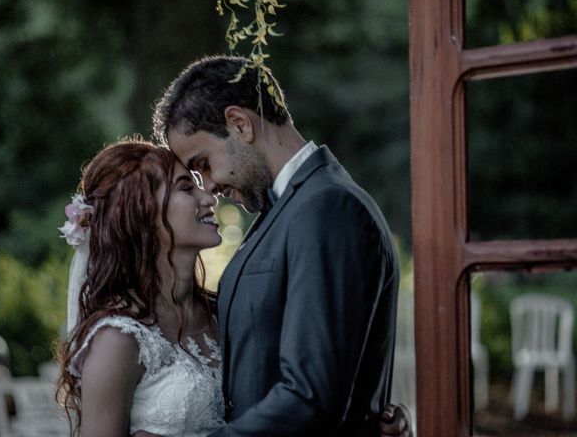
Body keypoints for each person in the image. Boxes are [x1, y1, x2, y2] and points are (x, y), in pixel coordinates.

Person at [152, 55, 408, 436]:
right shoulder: (286, 211)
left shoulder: (328, 207)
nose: (209, 186)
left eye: (203, 163)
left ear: (240, 124)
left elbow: (311, 396)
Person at [56, 137, 225, 436]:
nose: (209, 197)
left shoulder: (221, 311)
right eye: (187, 188)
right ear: (141, 214)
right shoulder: (119, 340)